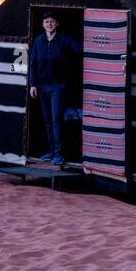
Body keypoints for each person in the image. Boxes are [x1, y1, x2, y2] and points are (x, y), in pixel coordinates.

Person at [28, 12, 82, 165]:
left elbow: (79, 49)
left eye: (52, 21)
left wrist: (98, 40)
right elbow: (32, 64)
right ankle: (51, 151)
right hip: (42, 87)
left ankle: (59, 153)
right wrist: (33, 84)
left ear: (57, 24)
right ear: (43, 24)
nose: (49, 24)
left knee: (56, 119)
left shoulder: (64, 39)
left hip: (58, 87)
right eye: (46, 22)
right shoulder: (38, 41)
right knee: (47, 120)